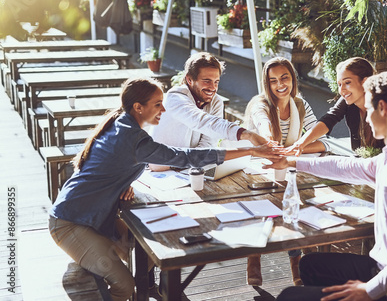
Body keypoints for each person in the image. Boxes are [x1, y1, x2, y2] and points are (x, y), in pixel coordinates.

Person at [48, 77, 278, 301]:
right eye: (158, 104)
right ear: (138, 107)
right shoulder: (132, 137)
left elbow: (110, 164)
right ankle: (97, 274)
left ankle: (122, 278)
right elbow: (184, 156)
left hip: (96, 217)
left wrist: (124, 182)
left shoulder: (122, 123)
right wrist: (250, 150)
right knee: (124, 285)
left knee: (149, 252)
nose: (163, 110)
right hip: (70, 222)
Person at [268, 71, 387, 301]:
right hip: (385, 268)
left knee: (289, 297)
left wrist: (369, 290)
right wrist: (291, 161)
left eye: (369, 109)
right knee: (311, 265)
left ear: (383, 108)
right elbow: (345, 167)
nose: (367, 117)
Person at [243, 57, 334, 287]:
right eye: (273, 80)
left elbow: (324, 142)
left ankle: (297, 261)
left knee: (297, 204)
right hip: (260, 167)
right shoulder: (259, 104)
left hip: (291, 164)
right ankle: (253, 257)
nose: (280, 84)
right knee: (264, 206)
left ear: (293, 78)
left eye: (284, 77)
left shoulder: (300, 105)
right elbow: (263, 124)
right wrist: (272, 142)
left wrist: (294, 150)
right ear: (267, 84)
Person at [149, 52, 268, 172]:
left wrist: (190, 163)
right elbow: (200, 121)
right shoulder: (175, 97)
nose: (213, 88)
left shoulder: (216, 102)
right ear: (189, 80)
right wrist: (248, 134)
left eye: (216, 81)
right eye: (207, 81)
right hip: (158, 170)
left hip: (186, 169)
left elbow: (208, 143)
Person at [285, 57, 384, 156]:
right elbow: (329, 119)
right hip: (362, 163)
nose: (342, 90)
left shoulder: (384, 106)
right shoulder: (348, 101)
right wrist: (300, 144)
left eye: (347, 82)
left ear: (364, 81)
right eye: (339, 84)